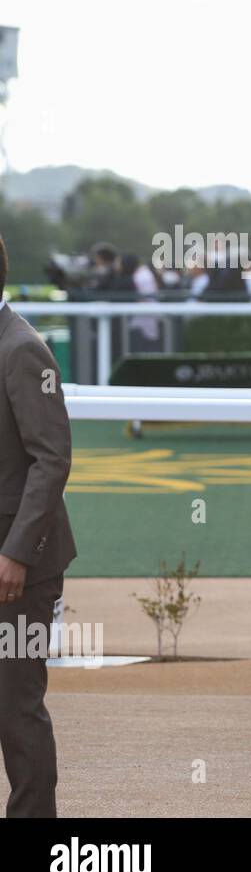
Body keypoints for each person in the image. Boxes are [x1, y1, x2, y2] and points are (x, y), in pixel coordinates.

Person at [0, 232, 78, 816]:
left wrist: (18, 552)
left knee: (15, 705)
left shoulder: (21, 348)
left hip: (18, 567)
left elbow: (52, 458)